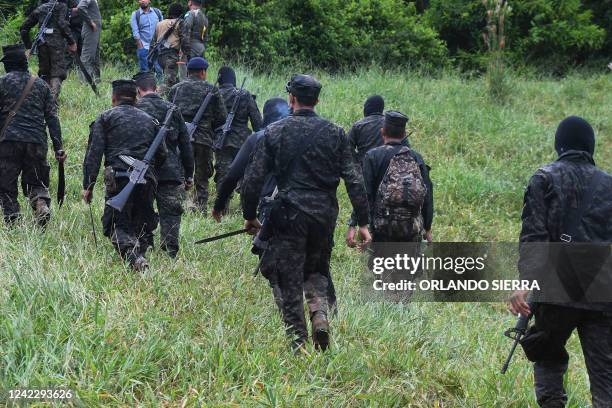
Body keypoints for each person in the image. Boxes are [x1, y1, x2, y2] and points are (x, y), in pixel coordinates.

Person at [241, 74, 371, 351]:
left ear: (292, 99)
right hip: (324, 215)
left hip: (289, 214)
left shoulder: (275, 132)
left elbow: (252, 179)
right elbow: (355, 180)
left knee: (287, 276)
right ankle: (320, 314)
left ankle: (298, 342)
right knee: (317, 268)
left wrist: (250, 215)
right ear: (317, 100)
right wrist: (363, 221)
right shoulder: (336, 133)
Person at [509, 116, 612, 408]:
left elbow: (534, 237)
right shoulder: (609, 185)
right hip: (602, 291)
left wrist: (524, 284)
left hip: (556, 289)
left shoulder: (544, 178)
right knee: (605, 374)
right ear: (590, 146)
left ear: (560, 145)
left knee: (547, 354)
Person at [82, 79, 166, 271]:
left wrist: (88, 186)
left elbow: (93, 155)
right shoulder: (151, 121)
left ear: (113, 98)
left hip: (118, 178)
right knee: (142, 223)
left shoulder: (105, 118)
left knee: (115, 225)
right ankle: (140, 259)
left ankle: (133, 257)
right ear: (136, 98)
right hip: (147, 180)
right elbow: (163, 154)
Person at [0, 44, 67, 227]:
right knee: (37, 181)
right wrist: (58, 147)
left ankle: (13, 220)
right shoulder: (41, 85)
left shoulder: (2, 82)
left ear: (8, 64)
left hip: (8, 142)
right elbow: (52, 118)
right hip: (37, 142)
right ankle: (40, 204)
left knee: (6, 184)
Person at [348, 111, 434, 245]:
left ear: (382, 132)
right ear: (404, 135)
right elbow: (427, 194)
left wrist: (358, 223)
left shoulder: (373, 156)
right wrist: (427, 228)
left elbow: (365, 194)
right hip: (412, 228)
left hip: (383, 230)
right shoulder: (416, 157)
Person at [133, 71, 194, 258]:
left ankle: (144, 245)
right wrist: (189, 174)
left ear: (137, 90)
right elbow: (185, 144)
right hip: (170, 170)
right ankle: (170, 251)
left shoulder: (135, 109)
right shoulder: (172, 109)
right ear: (156, 88)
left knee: (142, 208)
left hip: (143, 170)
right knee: (171, 212)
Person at [168, 57, 226, 214]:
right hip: (203, 139)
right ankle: (201, 209)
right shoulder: (211, 89)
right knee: (202, 177)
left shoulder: (176, 89)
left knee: (179, 174)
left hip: (180, 140)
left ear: (188, 71)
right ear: (203, 72)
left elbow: (168, 114)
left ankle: (178, 207)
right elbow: (222, 117)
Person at [214, 66, 262, 203]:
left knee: (223, 174)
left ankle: (222, 208)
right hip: (243, 143)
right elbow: (257, 123)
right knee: (245, 175)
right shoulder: (245, 95)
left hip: (222, 141)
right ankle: (245, 207)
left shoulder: (215, 94)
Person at [20, 0, 77, 104]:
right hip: (57, 46)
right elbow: (62, 24)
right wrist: (72, 42)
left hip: (42, 44)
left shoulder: (41, 8)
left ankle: (42, 101)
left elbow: (24, 28)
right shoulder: (62, 7)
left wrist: (28, 46)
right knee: (57, 73)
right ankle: (52, 103)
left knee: (44, 73)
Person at [150, 3, 184, 90]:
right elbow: (185, 40)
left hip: (160, 56)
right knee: (169, 82)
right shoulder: (179, 23)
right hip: (171, 56)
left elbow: (154, 40)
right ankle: (156, 96)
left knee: (173, 80)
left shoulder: (159, 24)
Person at [348, 95, 385, 167]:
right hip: (387, 167)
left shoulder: (358, 125)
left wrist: (357, 161)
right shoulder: (390, 124)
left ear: (366, 108)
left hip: (365, 167)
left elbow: (347, 146)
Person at [130, 0, 163, 74]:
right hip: (144, 46)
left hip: (157, 46)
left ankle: (160, 85)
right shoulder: (135, 14)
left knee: (159, 70)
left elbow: (162, 27)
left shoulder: (157, 12)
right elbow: (135, 32)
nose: (142, 1)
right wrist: (141, 47)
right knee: (145, 72)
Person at [76, 0, 102, 83]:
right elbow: (80, 7)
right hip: (90, 30)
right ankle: (84, 82)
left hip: (94, 31)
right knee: (87, 57)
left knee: (95, 57)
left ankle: (96, 81)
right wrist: (90, 22)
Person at [65, 0, 84, 69]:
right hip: (71, 29)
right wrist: (74, 10)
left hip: (82, 28)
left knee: (81, 52)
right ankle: (66, 74)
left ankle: (78, 74)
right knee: (70, 53)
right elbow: (62, 10)